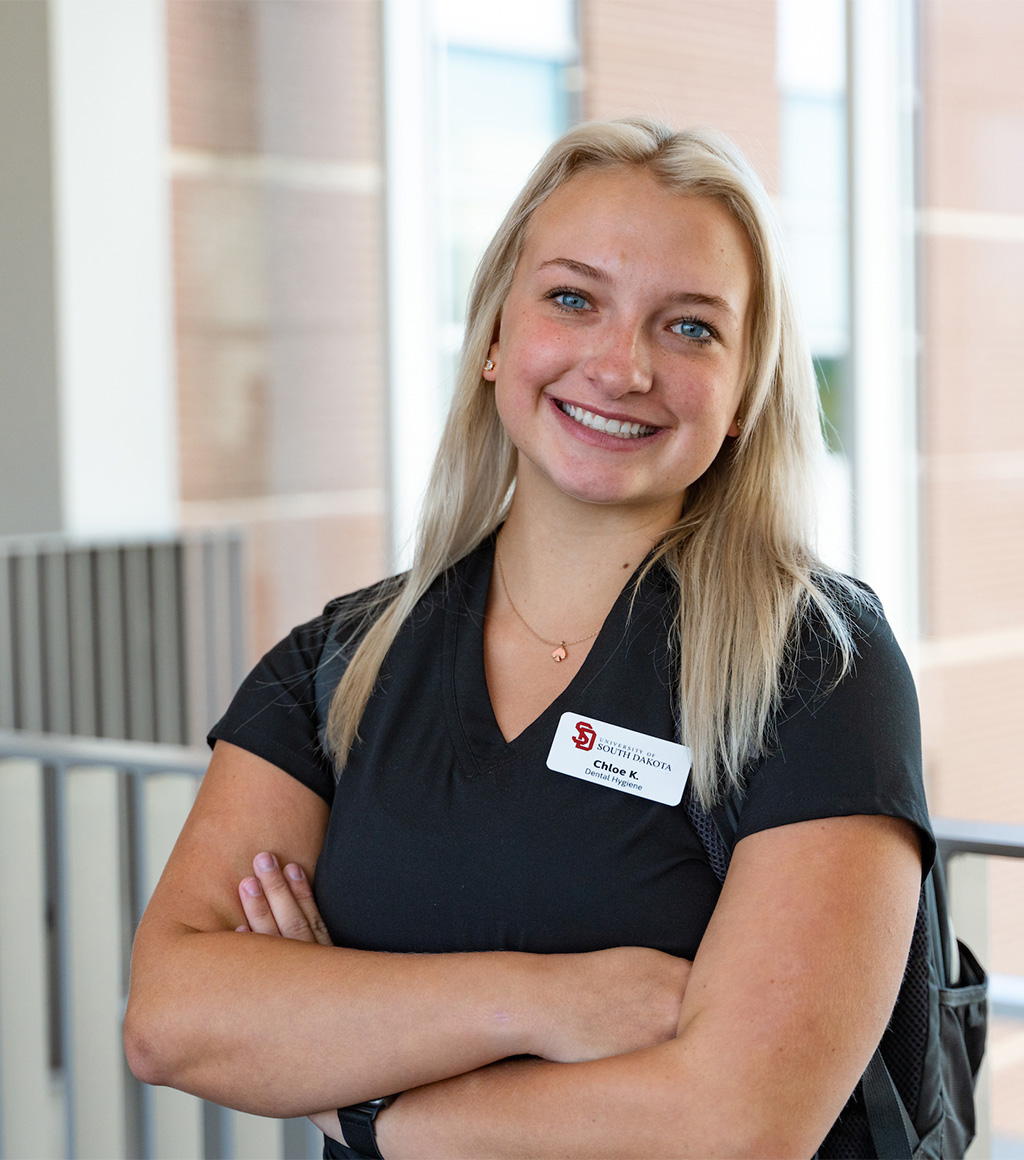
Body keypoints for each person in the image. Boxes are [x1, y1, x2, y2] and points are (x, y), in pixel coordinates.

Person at [124, 117, 931, 1158]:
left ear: (740, 397)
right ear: (497, 337)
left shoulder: (814, 664)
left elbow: (733, 1123)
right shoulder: (342, 662)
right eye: (572, 298)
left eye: (689, 328)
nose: (621, 363)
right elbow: (172, 1014)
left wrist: (354, 1085)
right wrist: (545, 1000)